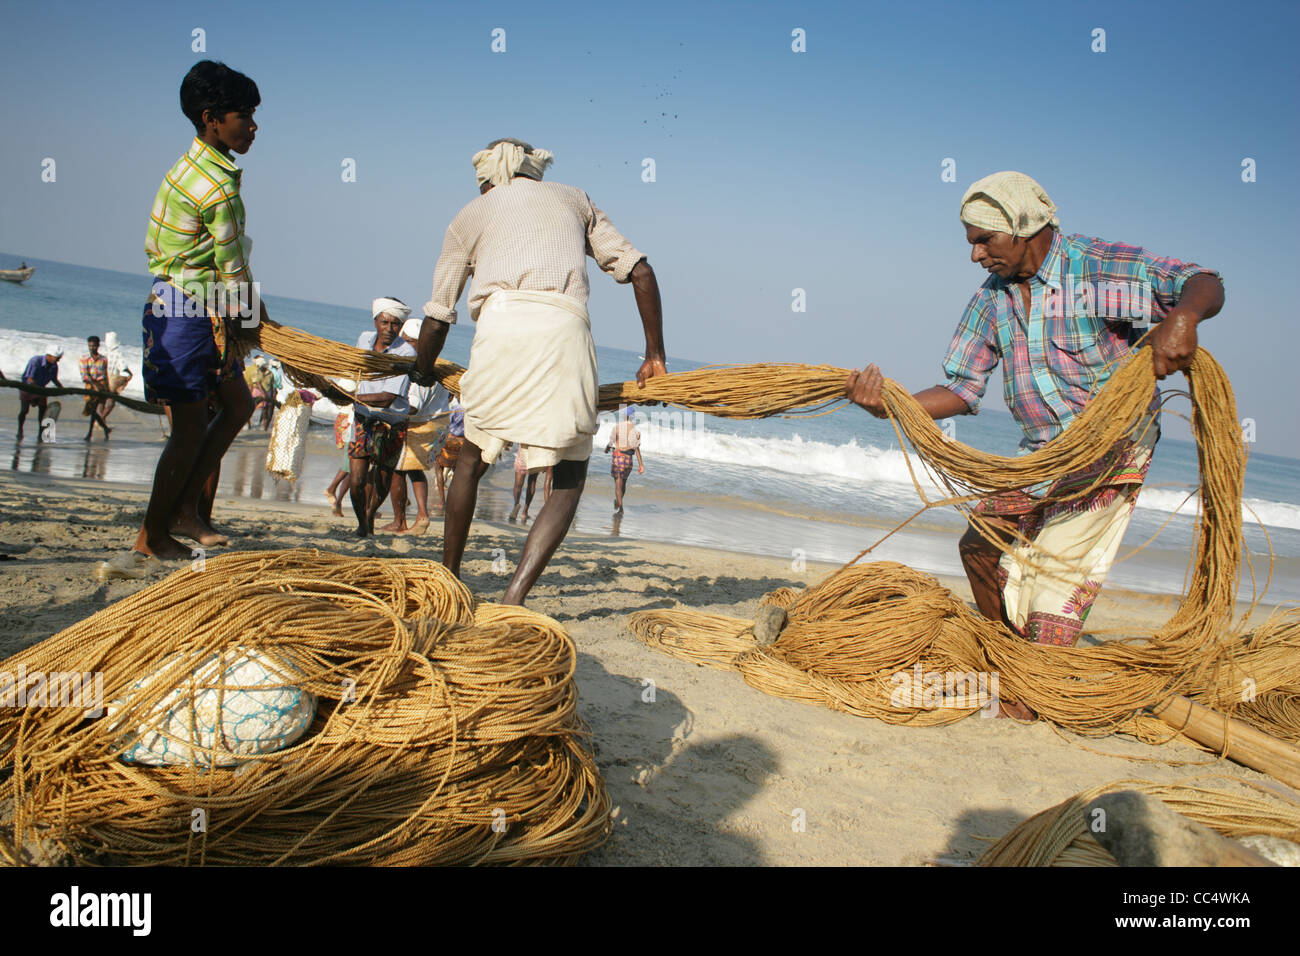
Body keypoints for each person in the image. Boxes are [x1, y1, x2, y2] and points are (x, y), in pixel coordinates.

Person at [844, 170, 1224, 718]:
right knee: (979, 544)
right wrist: (891, 403)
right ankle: (1012, 667)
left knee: (1051, 590)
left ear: (1024, 227)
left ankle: (1029, 691)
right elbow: (960, 387)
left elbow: (1202, 279)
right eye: (972, 241)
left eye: (984, 240)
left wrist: (1183, 318)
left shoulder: (1093, 271)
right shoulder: (993, 300)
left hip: (1110, 447)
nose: (975, 256)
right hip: (1043, 451)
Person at [410, 137, 667, 605]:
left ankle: (449, 579)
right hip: (566, 333)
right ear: (535, 172)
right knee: (569, 477)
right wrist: (655, 354)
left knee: (471, 462)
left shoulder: (470, 214)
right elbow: (641, 272)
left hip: (499, 330)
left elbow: (437, 317)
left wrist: (422, 371)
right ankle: (514, 598)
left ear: (488, 178)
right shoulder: (573, 198)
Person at [134, 60, 262, 559]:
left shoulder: (187, 167)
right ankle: (153, 535)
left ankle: (187, 509)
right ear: (212, 118)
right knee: (189, 426)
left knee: (239, 405)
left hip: (179, 302)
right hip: (188, 312)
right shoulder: (219, 186)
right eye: (244, 115)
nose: (253, 125)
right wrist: (254, 323)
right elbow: (231, 271)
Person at [347, 297, 415, 537]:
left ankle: (369, 515)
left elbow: (387, 398)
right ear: (376, 321)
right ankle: (363, 522)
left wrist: (348, 396)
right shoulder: (364, 340)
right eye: (384, 322)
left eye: (395, 324)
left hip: (391, 423)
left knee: (383, 480)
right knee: (356, 479)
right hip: (363, 418)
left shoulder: (406, 352)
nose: (389, 329)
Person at [380, 317, 451, 534]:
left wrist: (382, 408)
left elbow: (414, 406)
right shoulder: (439, 363)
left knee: (396, 470)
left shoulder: (421, 366)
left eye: (406, 341)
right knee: (415, 471)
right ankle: (422, 515)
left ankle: (399, 521)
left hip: (421, 425)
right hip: (437, 424)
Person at [605, 406, 645, 514]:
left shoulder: (617, 427)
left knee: (618, 482)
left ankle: (620, 506)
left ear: (624, 415)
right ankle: (619, 501)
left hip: (619, 457)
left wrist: (607, 448)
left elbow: (611, 441)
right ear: (632, 417)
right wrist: (641, 465)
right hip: (629, 460)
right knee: (624, 482)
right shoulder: (635, 431)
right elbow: (636, 449)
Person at [18, 345, 62, 441]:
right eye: (56, 358)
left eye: (59, 358)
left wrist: (61, 388)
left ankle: (41, 433)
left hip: (41, 389)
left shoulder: (54, 366)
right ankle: (20, 430)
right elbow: (30, 379)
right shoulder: (35, 361)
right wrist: (39, 389)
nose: (58, 360)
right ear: (49, 356)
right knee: (24, 411)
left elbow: (54, 379)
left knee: (43, 412)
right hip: (27, 387)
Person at [433, 397, 465, 511]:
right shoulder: (471, 410)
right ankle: (457, 501)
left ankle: (442, 501)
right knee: (458, 472)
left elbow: (445, 424)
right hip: (463, 442)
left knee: (439, 468)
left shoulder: (455, 409)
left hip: (449, 440)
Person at [78, 336, 112, 441]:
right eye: (90, 346)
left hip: (101, 387)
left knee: (94, 410)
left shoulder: (103, 359)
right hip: (90, 386)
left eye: (93, 346)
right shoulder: (84, 358)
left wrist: (107, 388)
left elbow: (105, 375)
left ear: (98, 346)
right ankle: (105, 428)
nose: (91, 348)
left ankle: (90, 434)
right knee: (91, 411)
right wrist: (95, 385)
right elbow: (84, 376)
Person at [100, 330, 133, 421]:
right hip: (112, 380)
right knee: (111, 402)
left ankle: (100, 419)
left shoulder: (103, 352)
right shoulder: (118, 353)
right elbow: (123, 367)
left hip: (102, 378)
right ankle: (102, 418)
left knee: (102, 399)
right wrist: (130, 373)